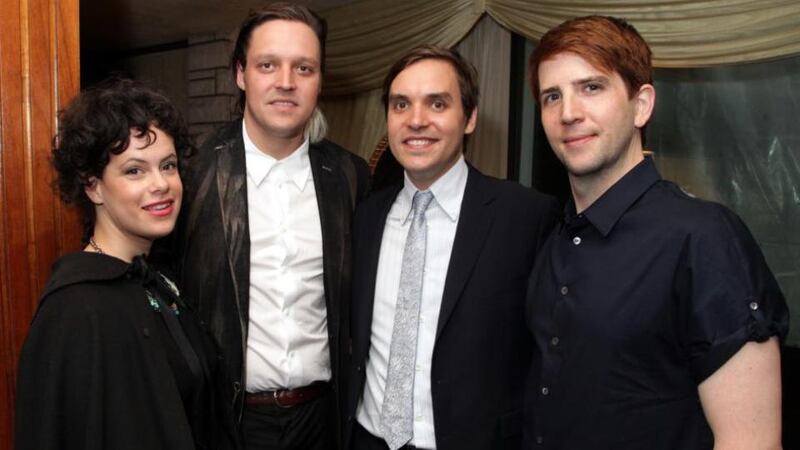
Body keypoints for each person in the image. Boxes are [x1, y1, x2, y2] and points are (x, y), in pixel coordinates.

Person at [524, 15, 790, 449]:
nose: (568, 113)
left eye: (592, 87)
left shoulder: (703, 237)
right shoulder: (555, 236)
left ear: (642, 104)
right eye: (552, 96)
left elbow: (750, 441)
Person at [173, 3, 369, 449]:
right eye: (268, 65)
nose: (286, 82)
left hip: (324, 421)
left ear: (320, 80)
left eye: (304, 67)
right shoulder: (191, 175)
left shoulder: (351, 177)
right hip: (227, 424)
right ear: (241, 74)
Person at [345, 46, 559, 450]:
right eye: (401, 104)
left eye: (437, 103)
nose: (416, 121)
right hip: (366, 438)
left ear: (470, 117)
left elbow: (551, 354)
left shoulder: (525, 217)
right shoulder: (366, 215)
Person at [15, 77, 228, 450]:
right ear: (93, 185)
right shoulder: (75, 309)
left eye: (168, 165)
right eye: (134, 170)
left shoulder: (158, 284)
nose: (161, 184)